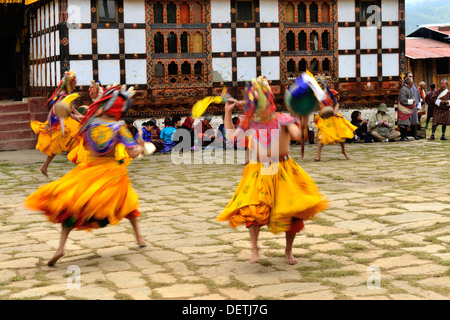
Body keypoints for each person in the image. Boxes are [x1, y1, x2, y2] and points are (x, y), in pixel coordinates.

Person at [24, 84, 146, 266]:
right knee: (128, 202)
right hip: (113, 173)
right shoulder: (118, 127)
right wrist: (141, 146)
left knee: (73, 207)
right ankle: (139, 238)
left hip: (89, 169)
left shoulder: (91, 124)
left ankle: (60, 248)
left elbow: (87, 147)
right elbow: (132, 154)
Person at [216, 76, 328, 265]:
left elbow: (298, 135)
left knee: (291, 212)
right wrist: (227, 113)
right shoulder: (249, 122)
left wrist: (301, 117)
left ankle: (288, 251)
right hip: (258, 170)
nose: (259, 107)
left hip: (284, 169)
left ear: (269, 101)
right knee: (253, 210)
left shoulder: (283, 119)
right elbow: (229, 138)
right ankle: (254, 248)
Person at [30, 70, 83, 177]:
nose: (74, 85)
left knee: (56, 147)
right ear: (70, 83)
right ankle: (81, 166)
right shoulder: (63, 96)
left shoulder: (63, 95)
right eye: (73, 83)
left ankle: (44, 166)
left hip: (62, 122)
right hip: (62, 123)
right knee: (78, 139)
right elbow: (67, 112)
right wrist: (79, 116)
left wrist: (79, 116)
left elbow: (69, 110)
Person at [313, 89, 356, 162]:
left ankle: (344, 151)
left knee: (340, 134)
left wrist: (335, 112)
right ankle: (318, 156)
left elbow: (337, 103)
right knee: (321, 136)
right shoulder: (318, 95)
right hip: (324, 118)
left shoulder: (331, 93)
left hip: (334, 117)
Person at [398, 77, 416, 141]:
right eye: (412, 83)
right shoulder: (403, 89)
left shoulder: (409, 89)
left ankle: (405, 136)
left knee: (406, 124)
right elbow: (402, 99)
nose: (412, 84)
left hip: (407, 108)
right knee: (403, 123)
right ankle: (403, 137)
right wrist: (411, 101)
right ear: (409, 83)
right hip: (403, 108)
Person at [405, 72, 421, 140]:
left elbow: (417, 94)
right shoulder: (405, 86)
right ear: (406, 77)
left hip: (414, 105)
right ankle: (405, 135)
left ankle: (414, 135)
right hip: (407, 105)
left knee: (414, 120)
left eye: (412, 76)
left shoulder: (414, 85)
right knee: (406, 120)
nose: (411, 77)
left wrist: (419, 103)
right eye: (409, 76)